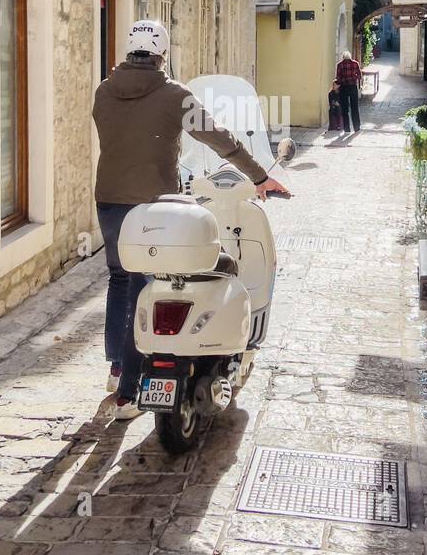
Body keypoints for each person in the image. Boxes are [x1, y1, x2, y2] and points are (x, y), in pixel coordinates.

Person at [93, 20, 291, 419]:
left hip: (109, 201)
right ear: (162, 53)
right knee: (145, 287)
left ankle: (117, 369)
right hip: (153, 206)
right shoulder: (174, 95)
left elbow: (118, 137)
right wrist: (259, 176)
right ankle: (129, 394)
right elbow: (219, 138)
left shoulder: (103, 91)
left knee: (119, 278)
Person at [336, 50, 363, 133]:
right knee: (354, 108)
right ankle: (357, 127)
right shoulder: (355, 63)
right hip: (353, 87)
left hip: (343, 88)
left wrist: (340, 82)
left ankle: (347, 128)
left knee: (345, 109)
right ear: (350, 56)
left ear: (343, 57)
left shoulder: (340, 65)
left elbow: (338, 78)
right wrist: (353, 78)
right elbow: (359, 76)